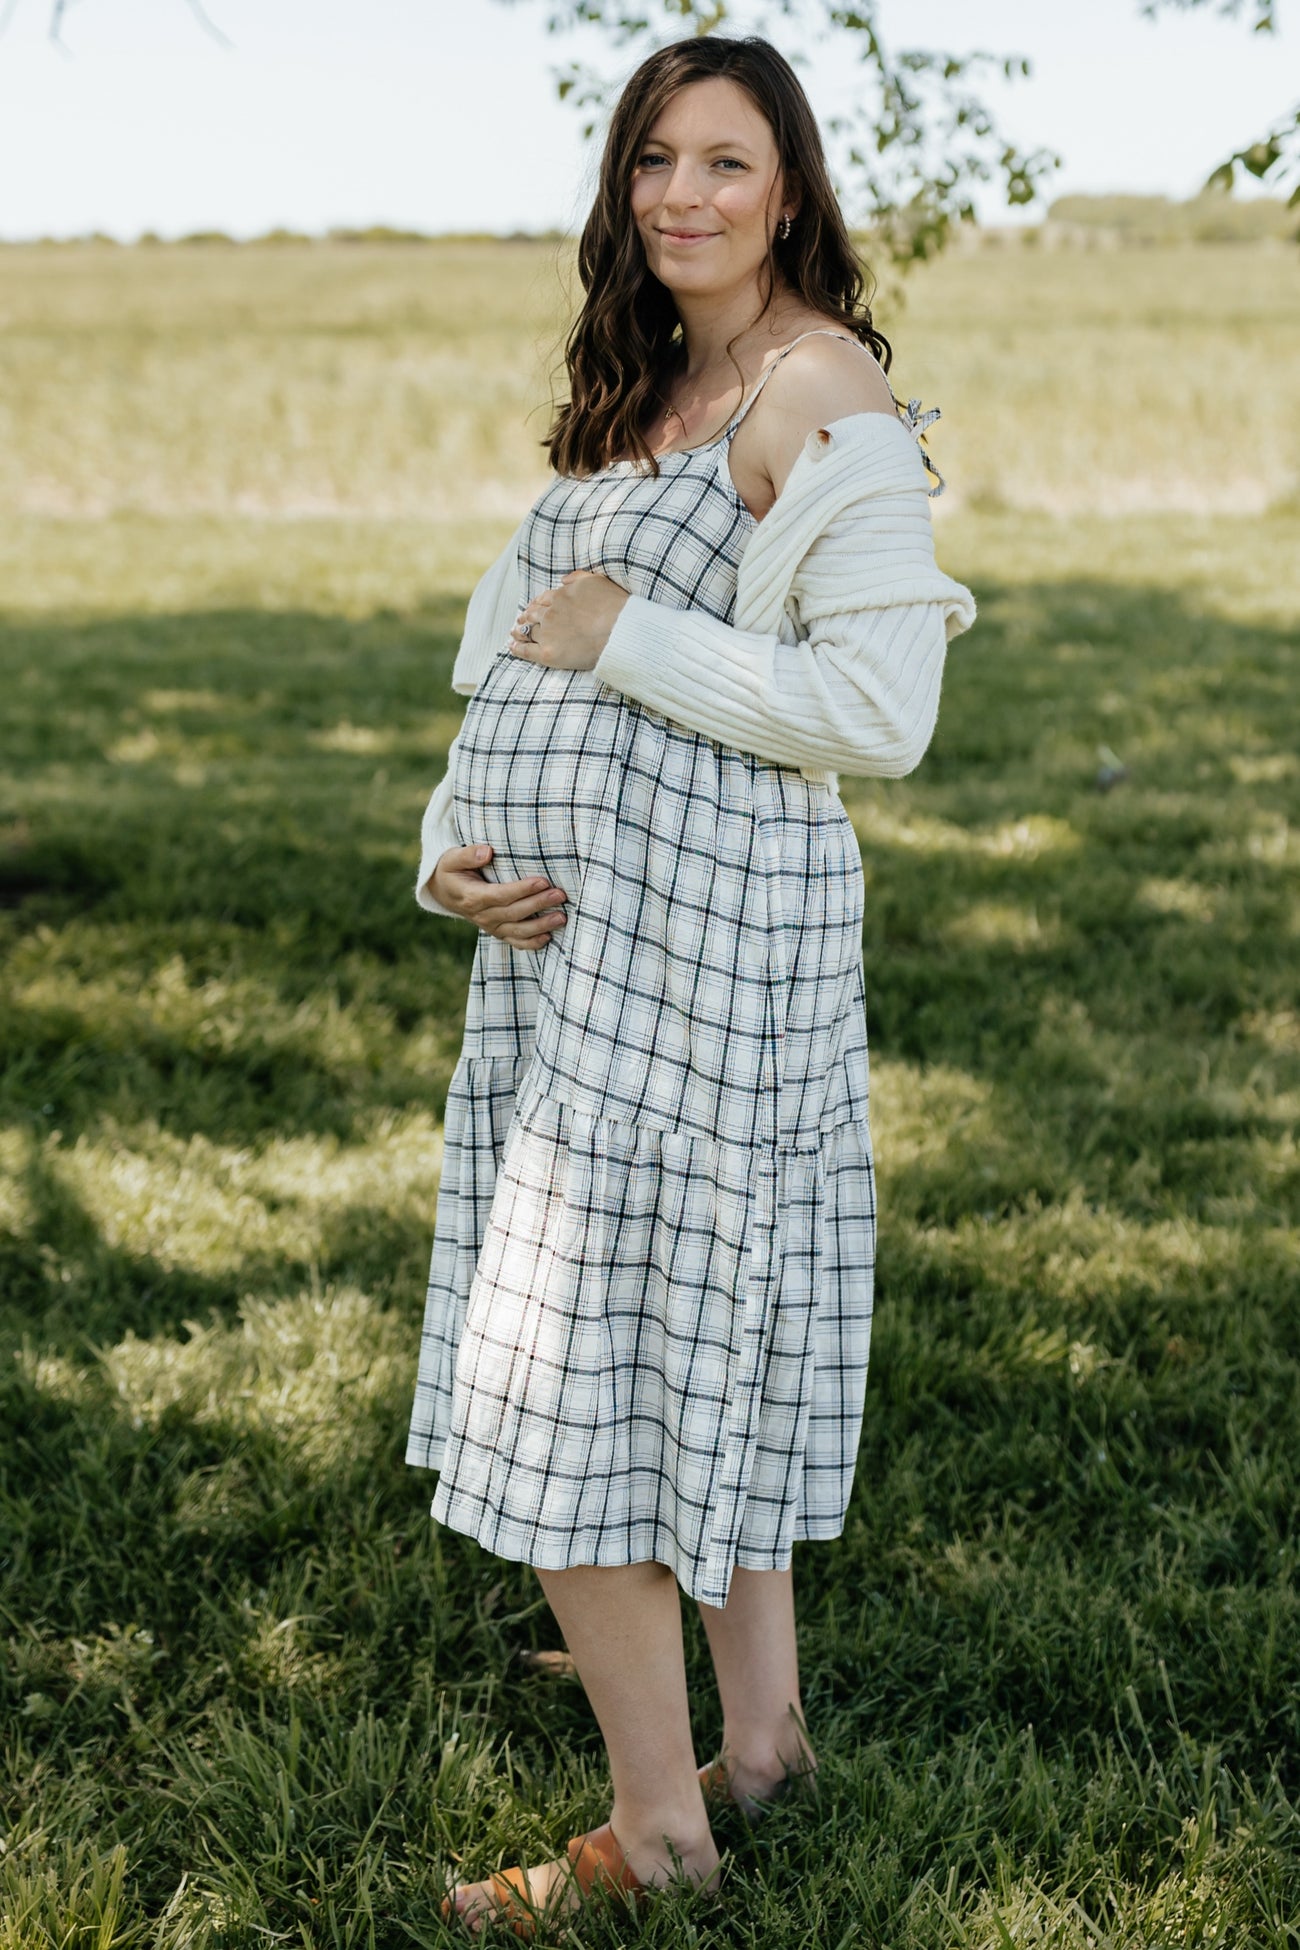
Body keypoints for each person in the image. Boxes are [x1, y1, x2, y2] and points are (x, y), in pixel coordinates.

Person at [407, 32, 975, 1935]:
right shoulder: (640, 387)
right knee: (688, 1331)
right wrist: (450, 848)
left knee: (574, 1361)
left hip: (708, 964)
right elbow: (510, 653)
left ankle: (657, 1835)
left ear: (789, 184)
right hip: (569, 963)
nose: (683, 195)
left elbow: (881, 712)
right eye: (654, 159)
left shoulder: (829, 393)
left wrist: (635, 636)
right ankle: (765, 1741)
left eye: (725, 160)